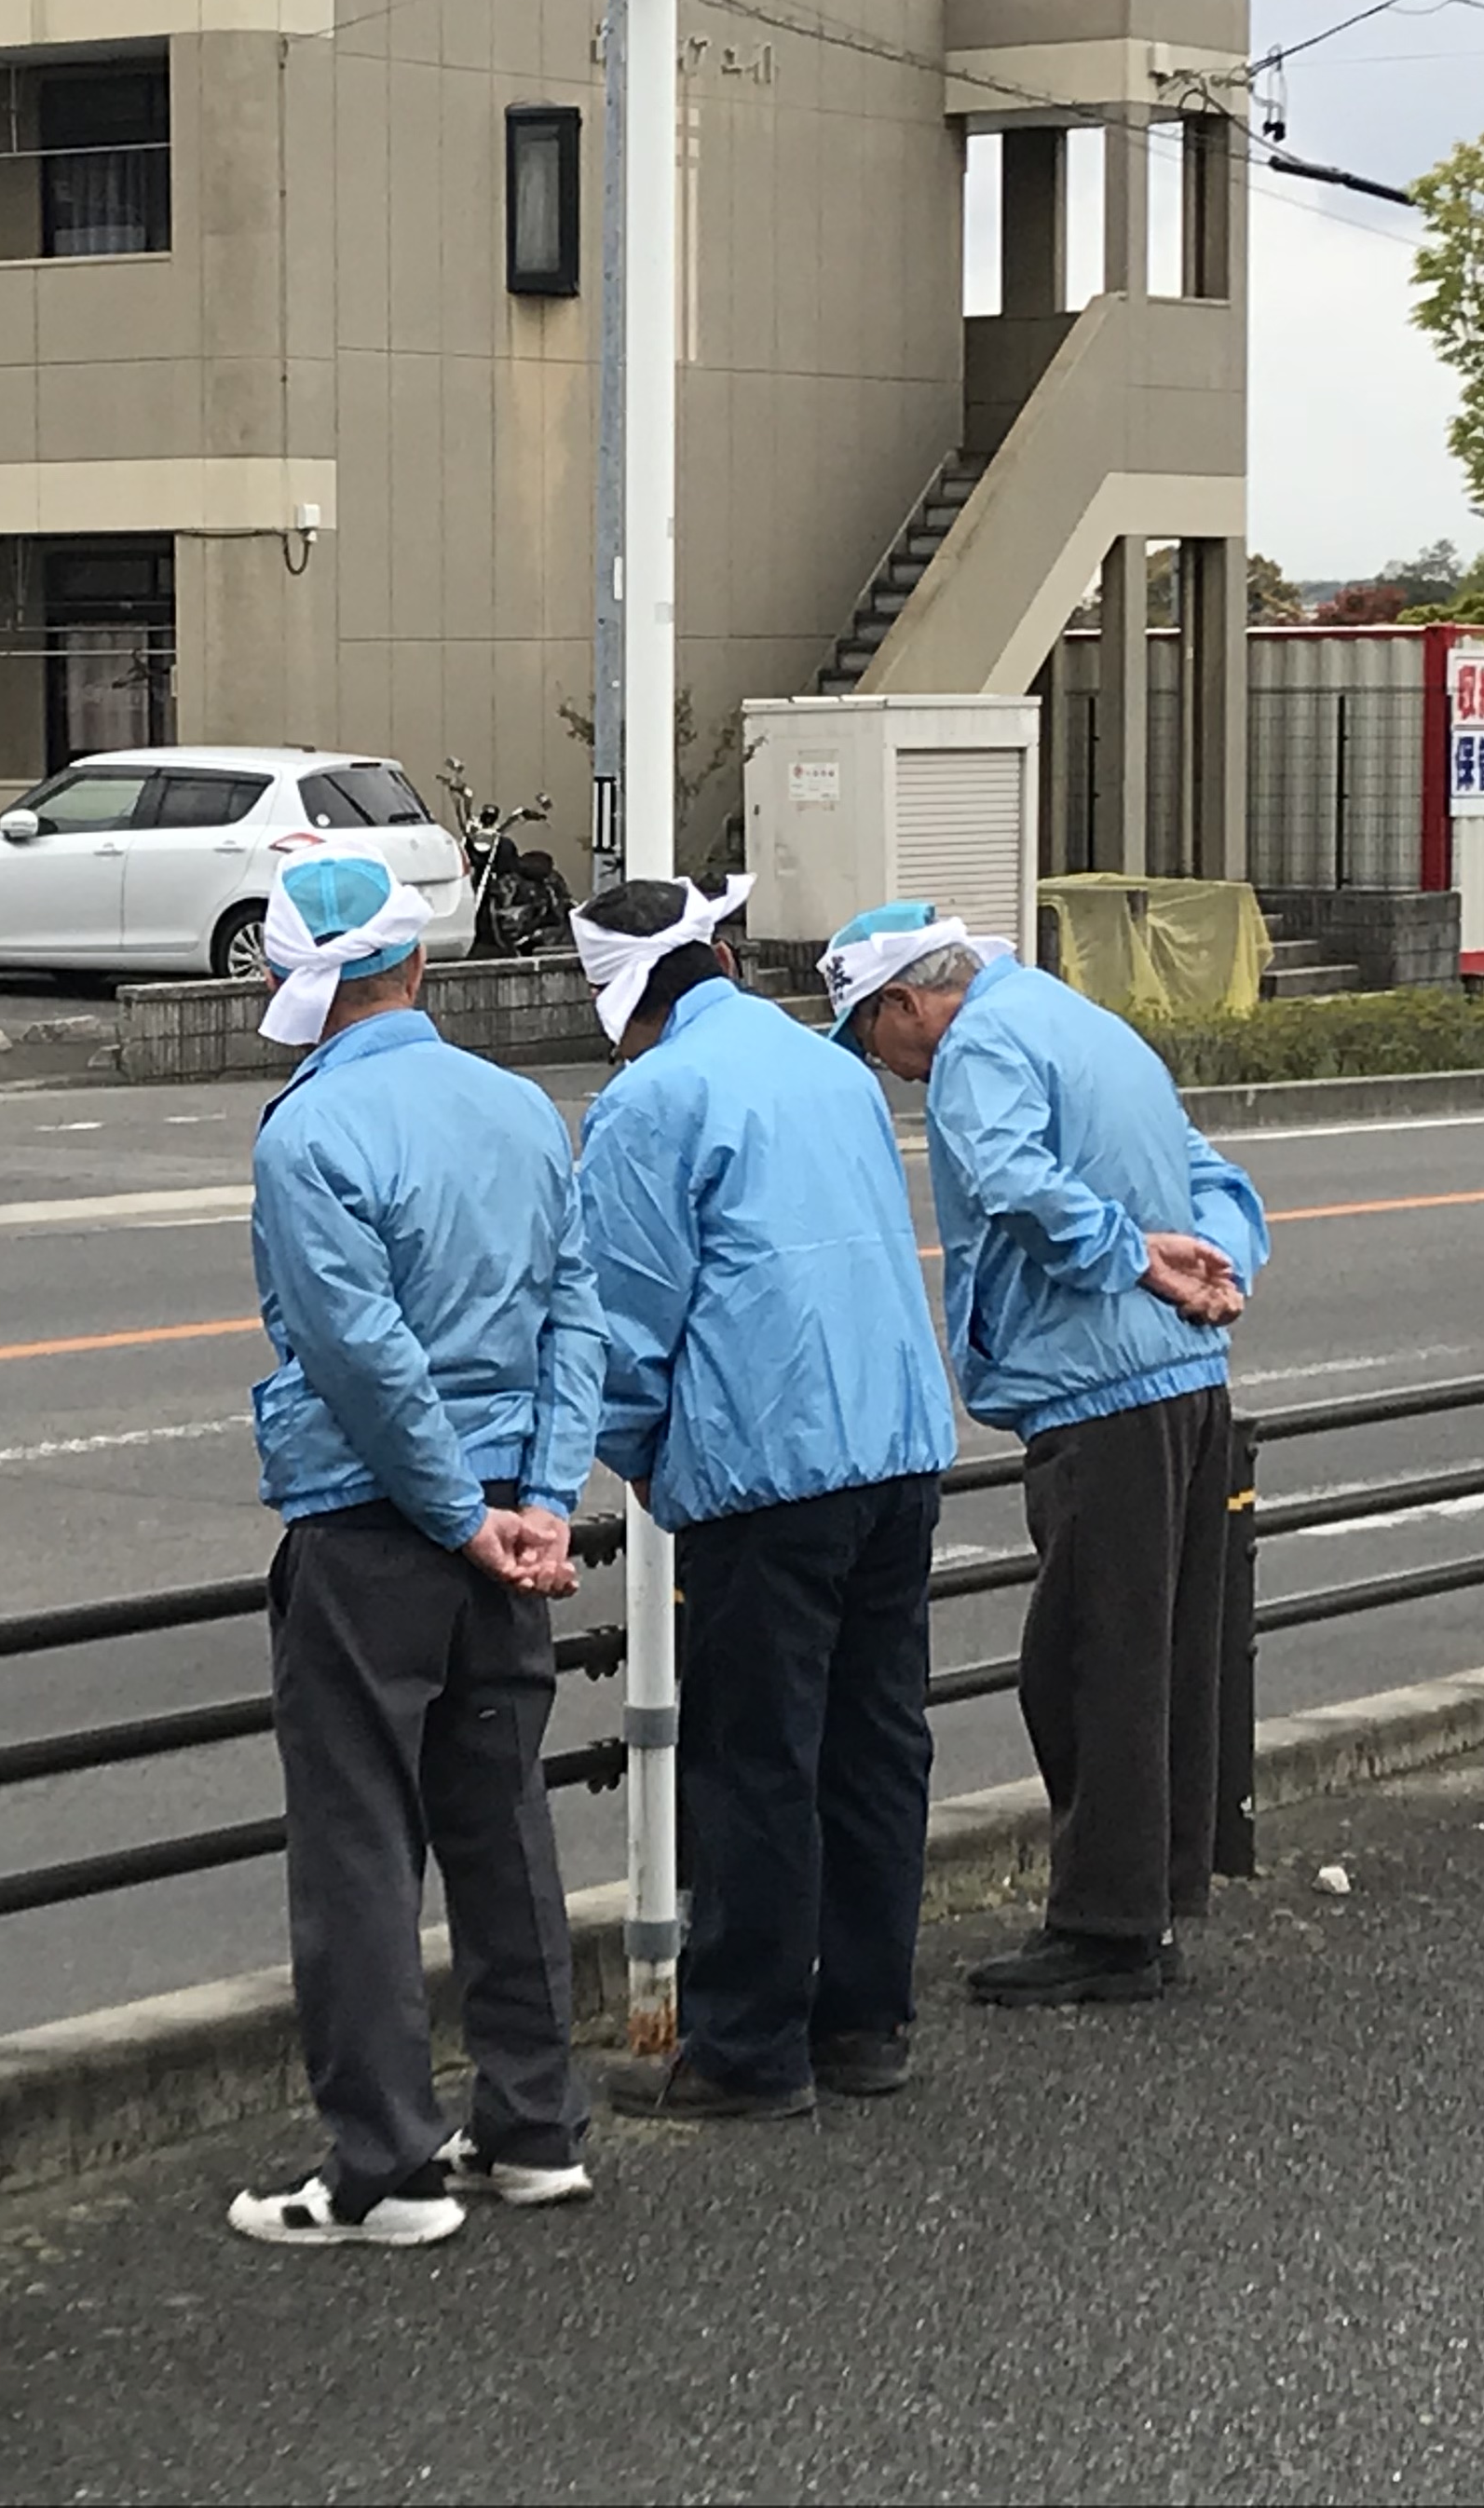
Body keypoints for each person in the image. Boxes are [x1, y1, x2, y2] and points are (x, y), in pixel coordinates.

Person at [227, 852, 606, 2248]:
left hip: (373, 1520)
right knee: (501, 1816)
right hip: (509, 1509)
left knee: (359, 1840)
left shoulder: (308, 1136)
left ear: (287, 977)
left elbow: (362, 1356)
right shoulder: (519, 1107)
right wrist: (540, 1499)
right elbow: (577, 1309)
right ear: (422, 965)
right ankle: (535, 2126)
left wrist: (453, 1511)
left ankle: (384, 2166)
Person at [824, 899, 1268, 2010]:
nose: (888, 1068)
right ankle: (1151, 1906)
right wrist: (1218, 1268)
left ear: (904, 1003)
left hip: (1097, 1383)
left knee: (1086, 1662)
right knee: (1166, 1656)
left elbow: (1015, 1183)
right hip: (1186, 1379)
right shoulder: (1083, 1023)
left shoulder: (978, 1049)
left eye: (871, 1037)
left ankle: (1105, 1925)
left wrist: (1136, 1261)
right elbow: (1208, 1173)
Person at [568, 875, 957, 2120]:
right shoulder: (833, 1072)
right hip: (895, 1439)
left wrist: (640, 1451)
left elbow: (626, 1318)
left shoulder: (650, 1101)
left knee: (756, 1758)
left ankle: (747, 2047)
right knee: (875, 1741)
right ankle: (866, 2021)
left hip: (764, 1461)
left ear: (623, 1005)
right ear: (725, 960)